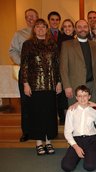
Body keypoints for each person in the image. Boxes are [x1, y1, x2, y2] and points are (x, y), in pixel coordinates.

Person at [20, 18, 62, 155]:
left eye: (43, 27)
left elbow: (57, 65)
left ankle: (48, 140)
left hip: (50, 85)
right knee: (37, 114)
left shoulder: (52, 44)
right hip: (34, 85)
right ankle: (39, 142)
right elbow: (24, 65)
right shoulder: (28, 44)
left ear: (46, 29)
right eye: (37, 27)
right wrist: (25, 83)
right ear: (34, 29)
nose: (40, 29)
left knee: (49, 114)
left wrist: (59, 82)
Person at [9, 8, 39, 142]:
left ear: (37, 17)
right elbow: (12, 51)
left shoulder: (43, 32)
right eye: (28, 17)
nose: (30, 19)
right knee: (26, 102)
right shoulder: (19, 34)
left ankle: (39, 129)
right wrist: (23, 63)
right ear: (25, 19)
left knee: (39, 101)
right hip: (26, 72)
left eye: (33, 16)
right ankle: (26, 132)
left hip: (41, 74)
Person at [61, 85, 96, 172]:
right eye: (79, 96)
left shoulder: (94, 112)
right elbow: (67, 132)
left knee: (89, 167)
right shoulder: (71, 111)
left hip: (91, 140)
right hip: (77, 140)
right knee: (66, 167)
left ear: (89, 97)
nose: (82, 98)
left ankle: (93, 153)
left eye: (85, 96)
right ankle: (78, 154)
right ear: (76, 98)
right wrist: (76, 147)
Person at [60, 19, 96, 105]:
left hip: (92, 86)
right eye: (79, 27)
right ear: (75, 29)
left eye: (85, 27)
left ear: (88, 29)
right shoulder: (67, 45)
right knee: (76, 114)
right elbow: (63, 68)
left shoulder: (95, 45)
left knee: (91, 113)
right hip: (75, 86)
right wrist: (67, 86)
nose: (82, 29)